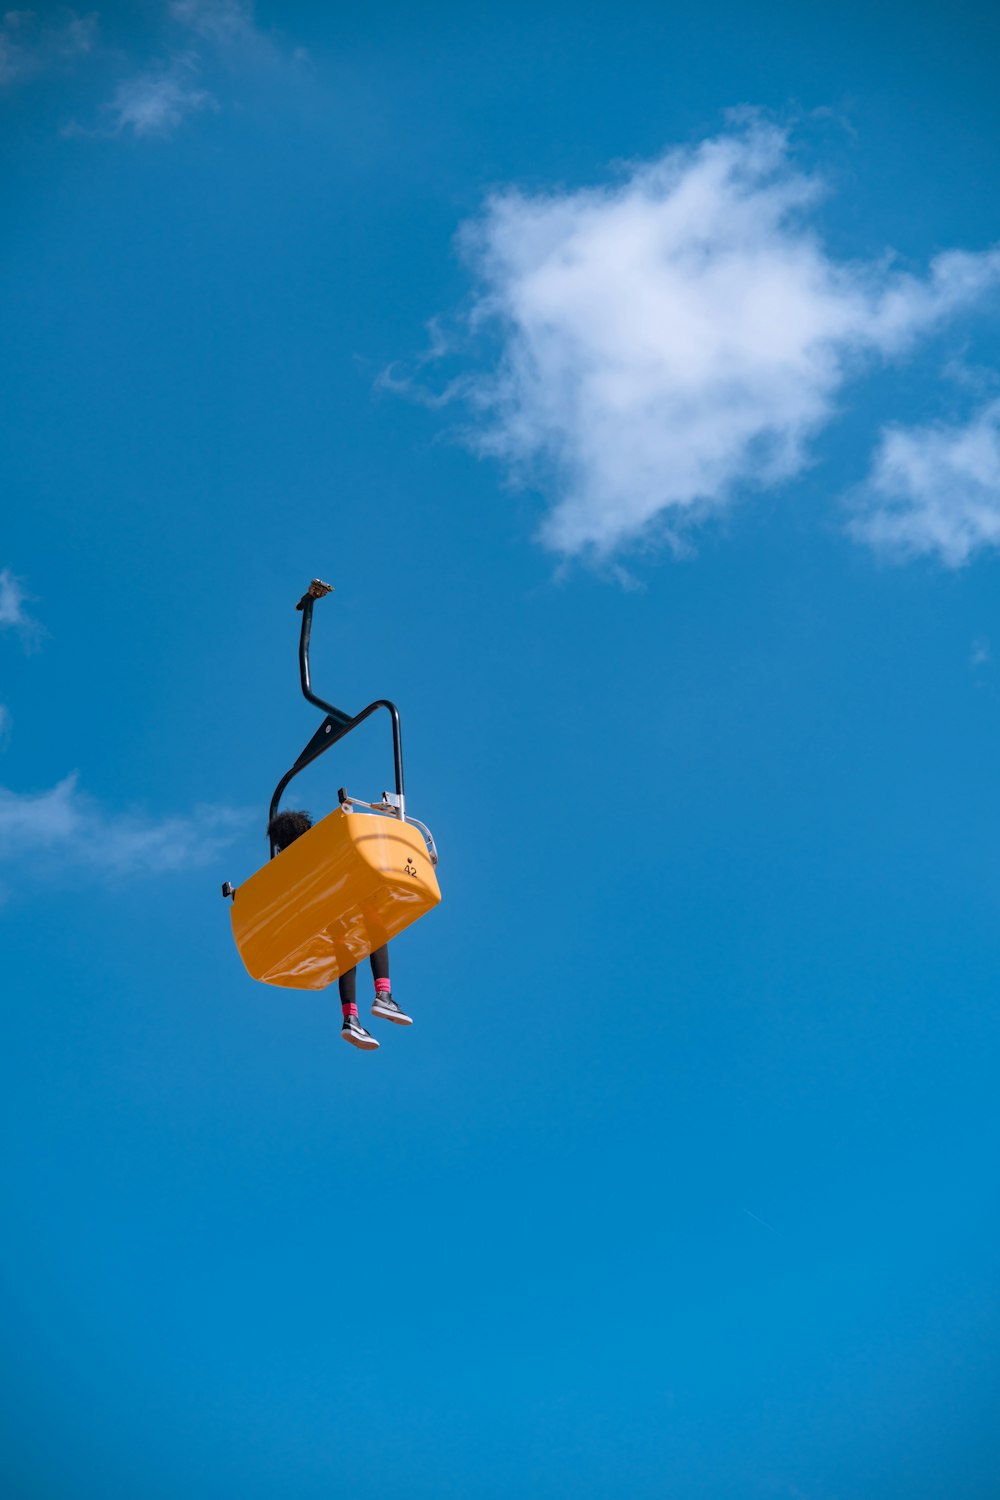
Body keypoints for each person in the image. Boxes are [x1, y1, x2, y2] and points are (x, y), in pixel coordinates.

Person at [266, 808, 414, 1052]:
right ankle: (383, 994)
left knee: (345, 952)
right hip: (338, 893)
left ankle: (350, 1018)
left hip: (317, 910)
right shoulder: (316, 848)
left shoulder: (283, 865)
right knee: (375, 926)